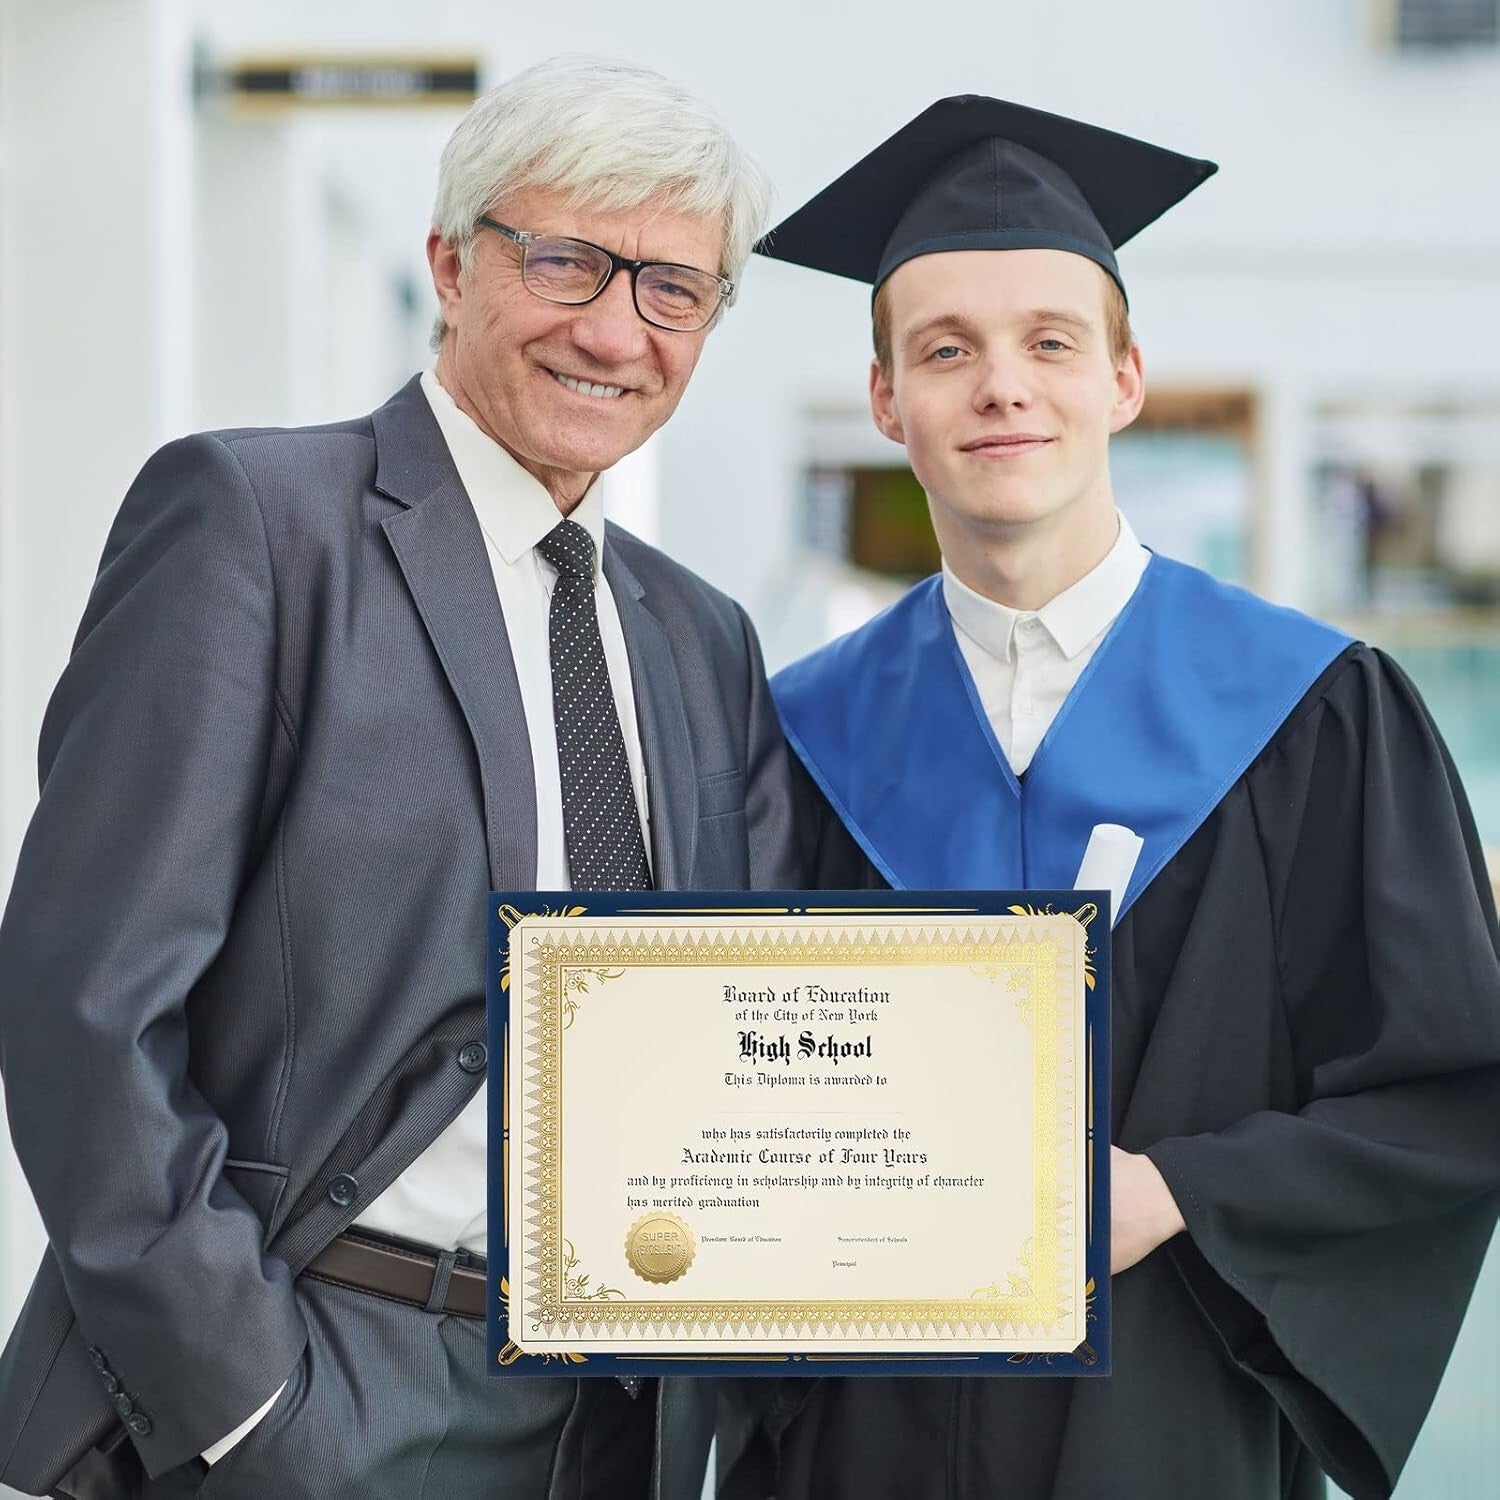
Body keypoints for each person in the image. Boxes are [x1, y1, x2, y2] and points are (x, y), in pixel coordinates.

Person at [0, 55, 797, 1500]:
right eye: (567, 262)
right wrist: (246, 1404)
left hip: (611, 1418)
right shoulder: (256, 524)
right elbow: (85, 998)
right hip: (318, 1377)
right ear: (450, 263)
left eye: (673, 289)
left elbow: (730, 1030)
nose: (618, 330)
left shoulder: (701, 641)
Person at [722, 95, 1500, 1500]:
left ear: (1125, 378)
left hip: (1172, 1416)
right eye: (946, 350)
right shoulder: (802, 732)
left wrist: (1178, 1193)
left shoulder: (1313, 712)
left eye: (1050, 343)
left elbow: (1448, 1092)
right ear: (888, 398)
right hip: (864, 1430)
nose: (1001, 386)